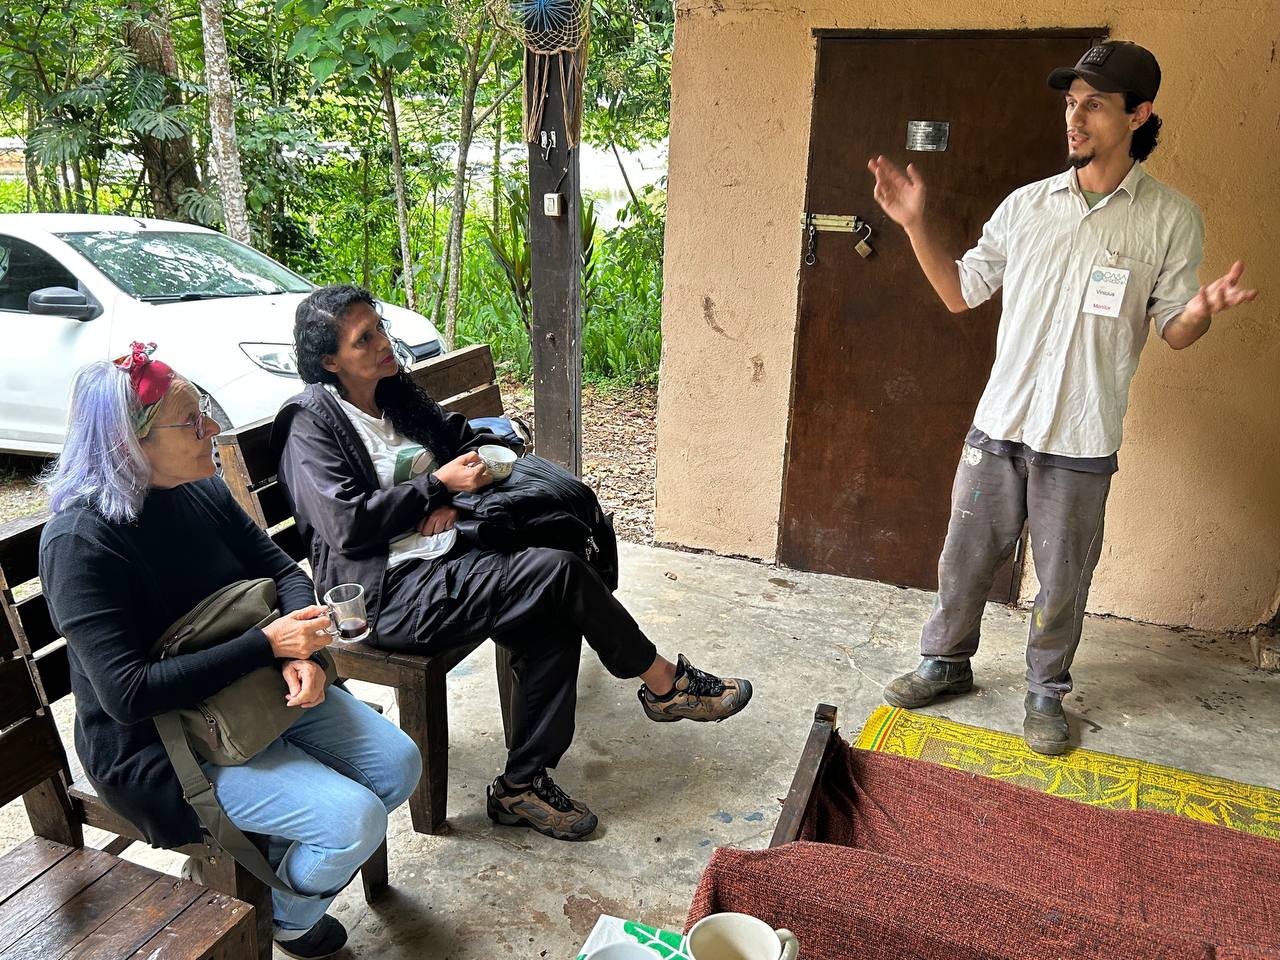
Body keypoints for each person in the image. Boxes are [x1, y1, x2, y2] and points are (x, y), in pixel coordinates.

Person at [867, 41, 1258, 754]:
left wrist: (1201, 311)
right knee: (964, 558)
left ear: (1138, 115)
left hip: (1080, 437)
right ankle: (945, 662)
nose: (1074, 118)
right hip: (1000, 424)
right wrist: (915, 223)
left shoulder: (1170, 219)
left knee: (1062, 580)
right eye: (1071, 103)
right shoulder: (1027, 206)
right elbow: (960, 292)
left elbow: (1174, 330)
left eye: (1094, 105)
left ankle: (1046, 691)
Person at [272, 284, 754, 841]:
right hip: (387, 596)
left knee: (552, 610)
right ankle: (664, 684)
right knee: (558, 572)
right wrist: (436, 487)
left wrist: (451, 496)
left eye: (379, 328)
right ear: (329, 362)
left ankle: (522, 786)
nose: (383, 343)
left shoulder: (393, 394)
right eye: (364, 339)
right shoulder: (310, 424)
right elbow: (345, 527)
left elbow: (461, 444)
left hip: (448, 555)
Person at [39, 343, 421, 960]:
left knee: (398, 766)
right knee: (352, 820)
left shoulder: (197, 488)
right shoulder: (81, 543)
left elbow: (283, 571)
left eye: (205, 412)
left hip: (252, 690)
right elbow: (127, 694)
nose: (212, 428)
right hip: (159, 744)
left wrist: (296, 654)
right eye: (191, 423)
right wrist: (266, 644)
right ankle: (285, 922)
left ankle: (275, 901)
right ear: (129, 445)